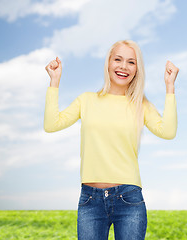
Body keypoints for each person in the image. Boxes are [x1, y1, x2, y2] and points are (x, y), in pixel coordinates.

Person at [44, 39, 179, 240]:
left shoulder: (140, 105)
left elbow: (168, 132)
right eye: (118, 59)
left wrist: (170, 87)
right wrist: (54, 81)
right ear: (108, 63)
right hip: (90, 199)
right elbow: (51, 124)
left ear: (137, 69)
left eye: (131, 62)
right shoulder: (86, 100)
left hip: (129, 199)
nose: (123, 66)